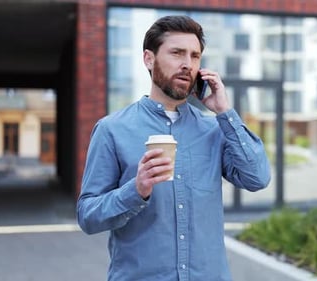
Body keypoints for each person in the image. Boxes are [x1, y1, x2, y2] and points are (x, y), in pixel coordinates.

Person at [76, 15, 271, 281]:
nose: (187, 64)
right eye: (177, 53)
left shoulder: (214, 129)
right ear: (149, 58)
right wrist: (135, 191)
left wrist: (225, 111)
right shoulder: (112, 130)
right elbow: (88, 217)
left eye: (195, 56)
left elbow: (257, 178)